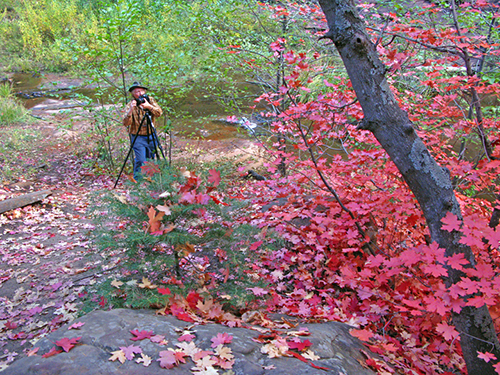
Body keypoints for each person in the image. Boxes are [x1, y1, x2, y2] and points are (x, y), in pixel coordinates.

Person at [123, 81, 163, 181]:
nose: (139, 94)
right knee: (141, 159)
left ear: (144, 91)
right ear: (132, 94)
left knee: (151, 159)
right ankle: (137, 180)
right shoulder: (130, 105)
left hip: (150, 134)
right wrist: (131, 110)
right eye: (136, 92)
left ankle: (151, 179)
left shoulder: (150, 100)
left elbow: (159, 113)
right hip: (137, 136)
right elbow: (126, 123)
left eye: (140, 91)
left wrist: (148, 106)